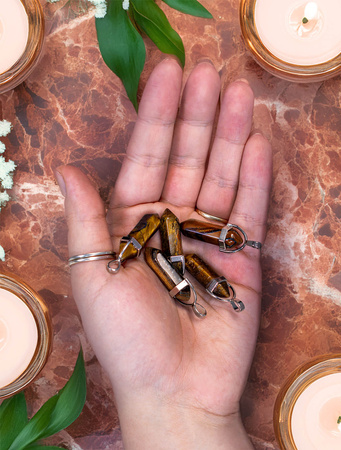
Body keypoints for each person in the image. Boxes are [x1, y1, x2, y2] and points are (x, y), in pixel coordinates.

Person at [55, 58, 272, 449]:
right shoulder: (165, 257)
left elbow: (169, 248)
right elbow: (163, 252)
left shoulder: (178, 257)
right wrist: (175, 406)